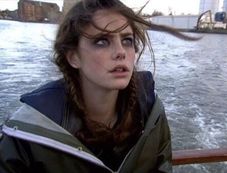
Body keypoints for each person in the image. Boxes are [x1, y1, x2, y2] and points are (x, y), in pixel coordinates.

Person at [0, 0, 197, 172]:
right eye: (102, 41)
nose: (121, 52)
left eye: (127, 40)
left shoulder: (152, 113)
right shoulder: (28, 135)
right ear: (74, 57)